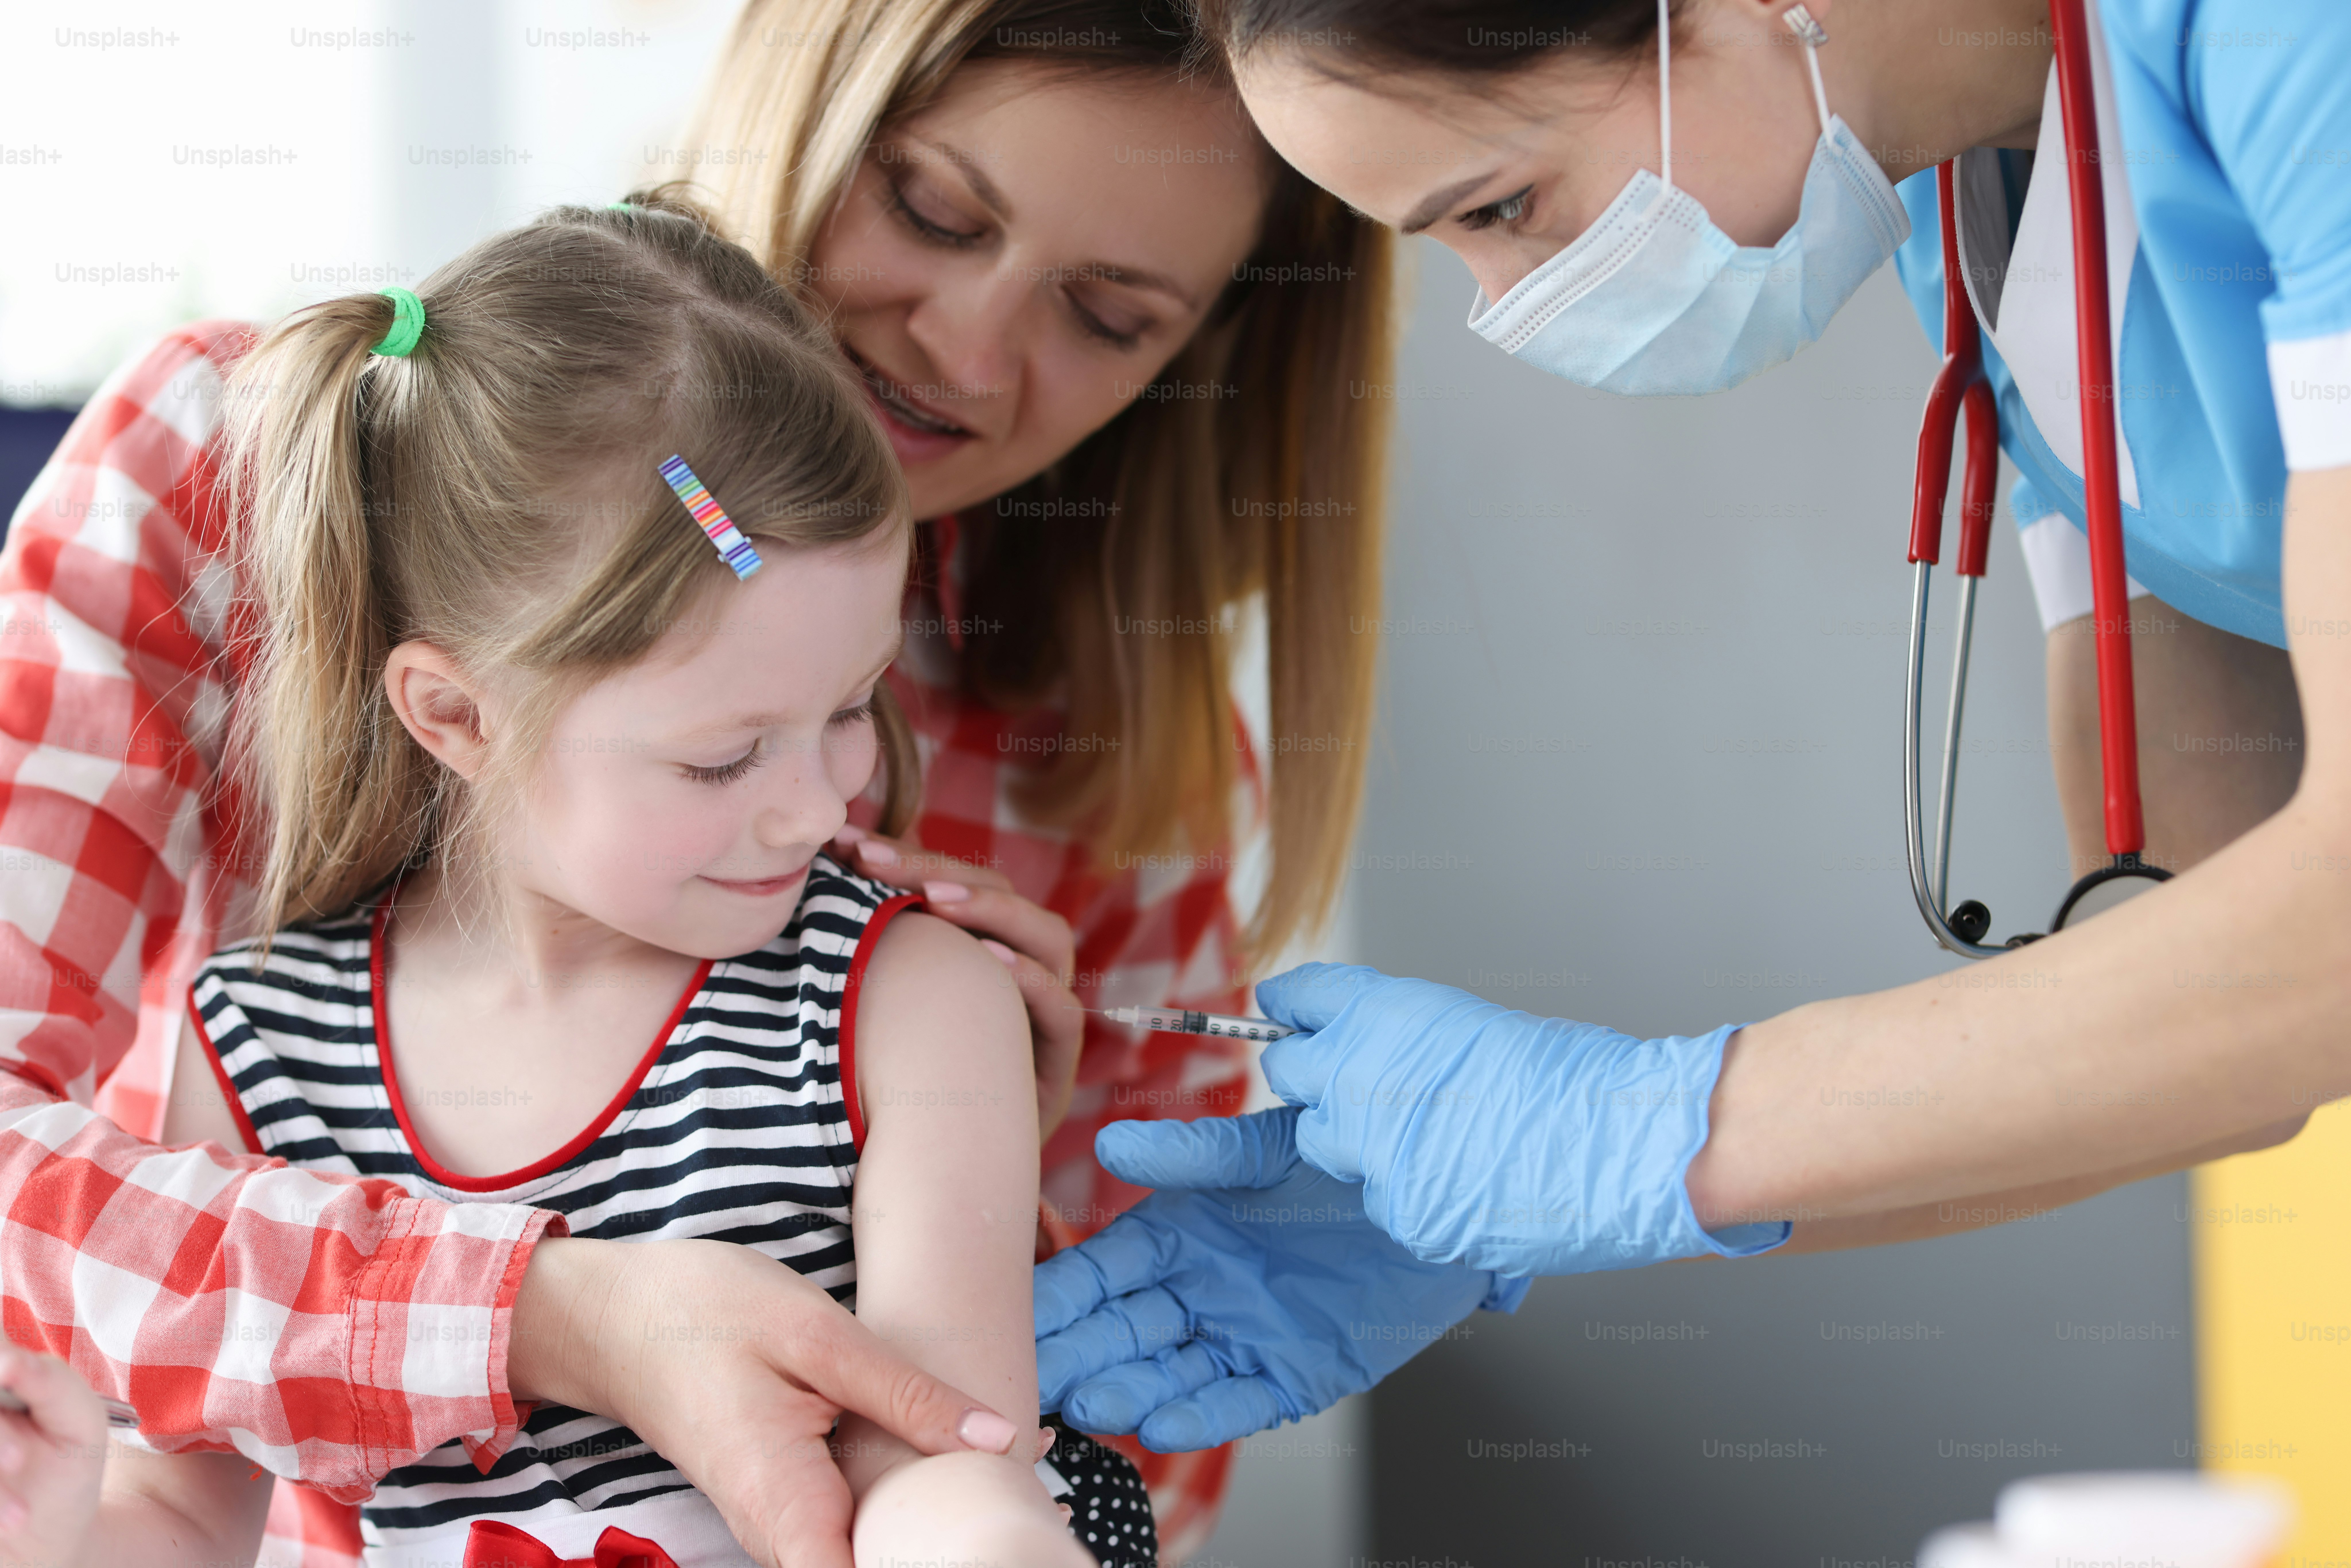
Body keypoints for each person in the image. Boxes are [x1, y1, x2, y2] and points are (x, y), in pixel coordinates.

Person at [0, 0, 1390, 1559]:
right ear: (449, 707)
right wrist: (546, 1310)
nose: (969, 348)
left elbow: (1084, 1461)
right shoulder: (236, 484)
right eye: (933, 212)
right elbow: (161, 1477)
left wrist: (1009, 1194)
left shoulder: (1097, 776)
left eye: (1112, 316)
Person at [1035, 0, 2351, 1454]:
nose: (1507, 302)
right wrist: (1536, 1212)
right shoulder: (1964, 210)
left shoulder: (2288, 48)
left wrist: (1646, 1131)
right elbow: (2198, 1003)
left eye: (1504, 206)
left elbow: (2319, 954)